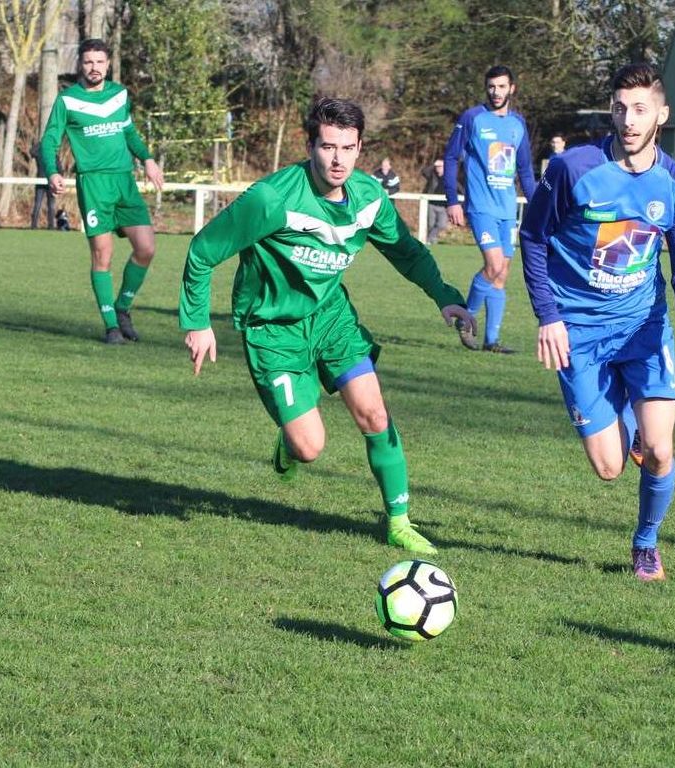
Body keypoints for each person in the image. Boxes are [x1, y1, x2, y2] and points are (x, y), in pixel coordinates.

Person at [179, 98, 475, 556]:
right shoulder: (272, 199)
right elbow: (202, 251)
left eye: (348, 148)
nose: (338, 160)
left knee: (375, 414)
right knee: (310, 447)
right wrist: (198, 323)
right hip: (273, 329)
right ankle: (290, 441)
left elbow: (407, 252)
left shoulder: (369, 199)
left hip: (331, 319)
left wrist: (445, 296)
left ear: (361, 149)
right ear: (310, 146)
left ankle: (398, 520)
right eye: (328, 147)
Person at [519, 63, 675, 582]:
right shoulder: (572, 169)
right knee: (608, 469)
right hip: (578, 334)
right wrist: (549, 317)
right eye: (620, 108)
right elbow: (534, 238)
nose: (628, 120)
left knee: (660, 449)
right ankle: (624, 422)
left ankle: (646, 544)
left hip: (643, 328)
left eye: (640, 109)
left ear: (662, 115)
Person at [40, 38, 165, 344]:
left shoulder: (119, 94)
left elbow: (129, 132)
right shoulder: (68, 100)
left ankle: (122, 308)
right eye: (88, 62)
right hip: (93, 184)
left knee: (146, 248)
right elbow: (49, 140)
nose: (94, 67)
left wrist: (147, 159)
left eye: (99, 62)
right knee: (103, 255)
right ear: (80, 65)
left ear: (108, 64)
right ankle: (111, 326)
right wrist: (53, 171)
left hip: (124, 181)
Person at [444, 64, 537, 353]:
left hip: (507, 209)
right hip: (481, 206)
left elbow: (524, 170)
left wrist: (537, 207)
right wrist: (452, 200)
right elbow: (450, 159)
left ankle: (492, 341)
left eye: (501, 86)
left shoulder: (517, 124)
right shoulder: (472, 118)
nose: (496, 92)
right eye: (491, 86)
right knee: (493, 265)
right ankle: (466, 318)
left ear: (512, 88)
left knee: (502, 273)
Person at [421, 158, 455, 245]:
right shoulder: (432, 175)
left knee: (441, 224)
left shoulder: (449, 177)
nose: (438, 168)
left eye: (440, 166)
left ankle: (429, 239)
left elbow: (458, 188)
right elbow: (424, 171)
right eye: (437, 167)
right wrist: (433, 165)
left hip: (443, 206)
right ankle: (432, 241)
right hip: (432, 204)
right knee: (431, 225)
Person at [30, 139, 55, 229]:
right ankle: (34, 225)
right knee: (39, 204)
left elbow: (32, 151)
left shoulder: (52, 154)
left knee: (49, 205)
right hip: (42, 181)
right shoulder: (42, 153)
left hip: (50, 181)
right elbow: (32, 152)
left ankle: (51, 225)